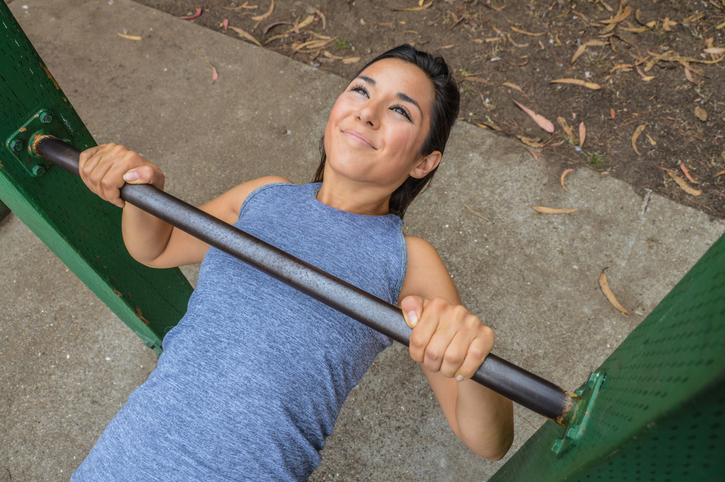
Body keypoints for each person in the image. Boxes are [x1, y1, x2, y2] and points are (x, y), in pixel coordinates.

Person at [71, 44, 514, 480]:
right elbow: (156, 247)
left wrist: (471, 359)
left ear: (424, 161)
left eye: (401, 111)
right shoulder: (262, 197)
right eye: (361, 90)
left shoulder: (408, 261)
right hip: (123, 458)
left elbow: (487, 443)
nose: (367, 112)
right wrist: (142, 190)